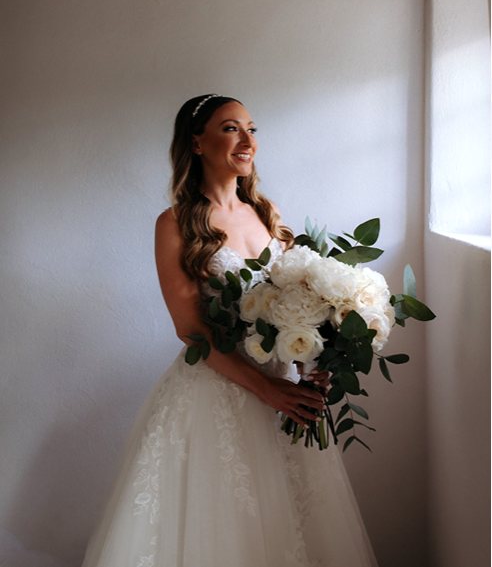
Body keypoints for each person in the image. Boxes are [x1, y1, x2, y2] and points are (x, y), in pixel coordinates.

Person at [81, 94, 378, 567]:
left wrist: (312, 363)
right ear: (196, 142)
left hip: (286, 394)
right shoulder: (175, 223)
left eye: (252, 128)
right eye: (231, 128)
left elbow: (295, 306)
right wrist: (267, 389)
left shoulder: (268, 214)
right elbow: (192, 330)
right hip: (218, 393)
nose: (247, 140)